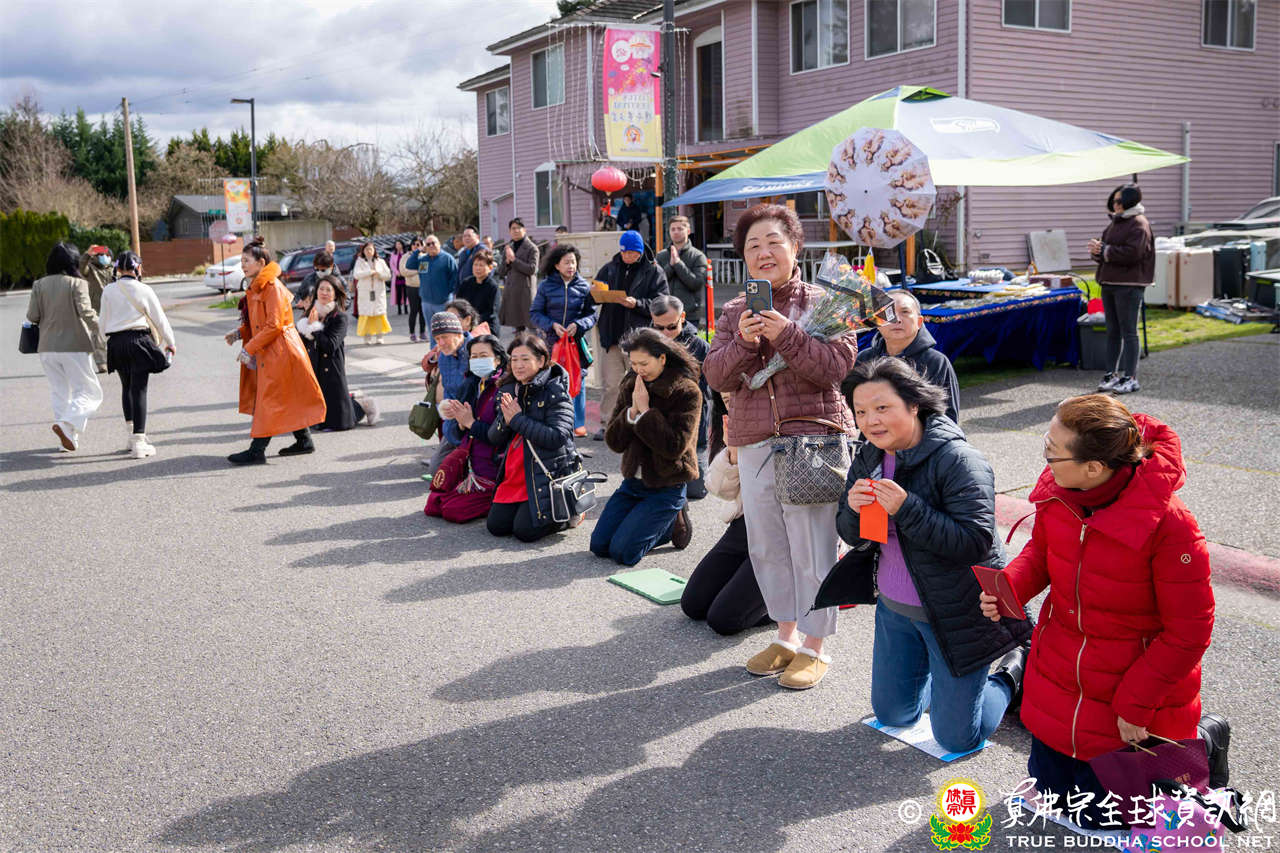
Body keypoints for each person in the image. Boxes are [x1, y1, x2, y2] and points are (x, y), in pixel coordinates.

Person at [982, 394, 1223, 827]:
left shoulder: (1171, 525)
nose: (1045, 459)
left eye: (1052, 451)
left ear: (1093, 467)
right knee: (1055, 797)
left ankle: (1206, 736)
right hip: (1060, 671)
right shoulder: (1061, 493)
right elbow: (1042, 551)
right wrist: (1010, 588)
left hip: (1129, 691)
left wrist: (1136, 704)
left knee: (1105, 817)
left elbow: (1190, 631)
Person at [827, 357, 1031, 749]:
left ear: (914, 404)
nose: (871, 421)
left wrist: (908, 509)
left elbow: (974, 541)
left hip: (955, 611)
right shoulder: (869, 455)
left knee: (957, 739)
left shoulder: (959, 459)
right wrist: (851, 509)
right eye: (861, 412)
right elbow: (851, 535)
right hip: (895, 608)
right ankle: (945, 686)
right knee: (894, 715)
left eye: (882, 407)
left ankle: (1009, 674)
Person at [703, 203, 856, 690]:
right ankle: (786, 636)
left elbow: (835, 368)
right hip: (754, 441)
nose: (763, 252)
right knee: (768, 546)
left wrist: (785, 333)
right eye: (753, 245)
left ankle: (815, 646)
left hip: (810, 439)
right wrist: (744, 343)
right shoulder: (734, 311)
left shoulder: (826, 300)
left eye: (774, 242)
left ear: (795, 248)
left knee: (812, 547)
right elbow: (715, 376)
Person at [591, 328, 701, 565]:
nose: (638, 369)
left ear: (662, 358)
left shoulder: (686, 391)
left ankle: (673, 518)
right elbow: (614, 442)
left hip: (667, 483)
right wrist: (632, 413)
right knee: (599, 546)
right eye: (633, 363)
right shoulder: (631, 383)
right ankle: (658, 522)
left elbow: (674, 447)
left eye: (644, 363)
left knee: (624, 553)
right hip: (634, 483)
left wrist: (646, 412)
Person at [224, 237, 326, 465]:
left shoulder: (271, 287)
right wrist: (240, 333)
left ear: (261, 263)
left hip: (281, 350)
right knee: (285, 395)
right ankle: (304, 440)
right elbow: (259, 323)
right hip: (275, 349)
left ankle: (257, 450)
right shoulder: (259, 286)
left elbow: (274, 325)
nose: (243, 265)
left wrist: (249, 347)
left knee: (268, 399)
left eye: (246, 260)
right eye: (242, 260)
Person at [681, 411, 770, 635]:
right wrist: (733, 453)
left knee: (723, 619)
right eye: (727, 400)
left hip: (782, 536)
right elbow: (718, 489)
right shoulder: (741, 419)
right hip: (743, 526)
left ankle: (795, 600)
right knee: (693, 604)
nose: (733, 405)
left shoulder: (786, 415)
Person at [486, 333, 578, 542]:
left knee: (525, 532)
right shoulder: (510, 389)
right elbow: (494, 438)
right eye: (514, 359)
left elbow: (557, 437)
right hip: (516, 471)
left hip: (546, 472)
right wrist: (505, 420)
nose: (518, 365)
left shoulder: (555, 390)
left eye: (525, 359)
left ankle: (571, 513)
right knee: (496, 527)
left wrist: (517, 419)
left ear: (541, 360)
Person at [25, 242, 104, 452]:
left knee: (59, 392)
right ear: (73, 261)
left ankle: (67, 439)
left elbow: (32, 316)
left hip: (46, 347)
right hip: (74, 346)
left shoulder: (39, 284)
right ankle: (66, 425)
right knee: (90, 392)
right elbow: (87, 314)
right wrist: (106, 330)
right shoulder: (77, 283)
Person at [592, 229, 668, 440]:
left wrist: (637, 304)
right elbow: (594, 295)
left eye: (633, 253)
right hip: (612, 337)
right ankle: (608, 424)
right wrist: (596, 292)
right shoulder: (609, 268)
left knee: (642, 383)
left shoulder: (654, 271)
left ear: (641, 252)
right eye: (625, 252)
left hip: (639, 340)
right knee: (611, 385)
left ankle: (643, 424)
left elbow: (662, 303)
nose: (628, 256)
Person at [99, 250, 177, 458]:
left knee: (126, 387)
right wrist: (171, 343)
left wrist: (107, 343)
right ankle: (140, 443)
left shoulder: (108, 290)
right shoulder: (144, 289)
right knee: (139, 389)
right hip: (138, 341)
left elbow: (102, 321)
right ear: (138, 268)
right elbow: (159, 319)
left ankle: (131, 437)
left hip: (116, 342)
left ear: (117, 269)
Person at [426, 334, 509, 523]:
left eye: (483, 356)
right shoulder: (472, 383)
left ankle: (497, 498)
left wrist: (470, 423)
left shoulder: (504, 388)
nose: (478, 361)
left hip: (492, 463)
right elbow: (458, 433)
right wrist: (460, 423)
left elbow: (498, 436)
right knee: (433, 503)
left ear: (497, 359)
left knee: (453, 510)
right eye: (474, 356)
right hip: (469, 459)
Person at [852, 289, 960, 423]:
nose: (897, 319)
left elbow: (948, 418)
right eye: (889, 313)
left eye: (905, 312)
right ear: (877, 322)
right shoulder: (864, 359)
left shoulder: (935, 362)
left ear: (919, 322)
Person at [1089, 184, 1154, 395]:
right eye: (1114, 201)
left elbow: (1133, 253)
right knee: (1113, 331)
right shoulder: (1115, 223)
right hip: (1109, 283)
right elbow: (1106, 251)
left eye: (1119, 201)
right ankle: (1111, 374)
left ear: (1129, 201)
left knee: (1129, 332)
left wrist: (1105, 250)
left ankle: (1130, 377)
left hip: (1129, 285)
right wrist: (1097, 251)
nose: (1115, 205)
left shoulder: (1139, 224)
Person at [296, 275, 379, 431]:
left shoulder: (339, 317)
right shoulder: (311, 313)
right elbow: (301, 343)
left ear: (335, 294)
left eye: (328, 290)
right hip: (314, 367)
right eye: (321, 289)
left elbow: (330, 345)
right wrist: (305, 326)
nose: (324, 293)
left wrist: (314, 327)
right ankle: (353, 400)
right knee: (316, 421)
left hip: (332, 369)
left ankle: (362, 404)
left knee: (341, 422)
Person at [531, 243, 598, 437]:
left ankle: (578, 424)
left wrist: (579, 324)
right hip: (551, 342)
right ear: (556, 265)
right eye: (567, 262)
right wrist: (551, 325)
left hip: (576, 343)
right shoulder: (545, 286)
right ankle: (554, 421)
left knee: (578, 379)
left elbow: (592, 315)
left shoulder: (584, 287)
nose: (571, 266)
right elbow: (535, 313)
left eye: (574, 262)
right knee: (551, 380)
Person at [650, 294, 710, 499]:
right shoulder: (647, 343)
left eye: (671, 327)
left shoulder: (698, 346)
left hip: (691, 426)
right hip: (659, 424)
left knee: (695, 491)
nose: (665, 333)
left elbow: (711, 387)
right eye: (659, 327)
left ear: (682, 317)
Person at [420, 311, 472, 475]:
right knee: (437, 470)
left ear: (458, 333)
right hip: (454, 421)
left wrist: (466, 419)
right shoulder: (443, 357)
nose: (441, 343)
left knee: (464, 471)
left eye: (445, 337)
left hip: (475, 421)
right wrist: (446, 408)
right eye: (437, 339)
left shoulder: (476, 351)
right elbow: (448, 391)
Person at [654, 215, 709, 328]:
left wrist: (678, 264)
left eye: (680, 229)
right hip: (664, 312)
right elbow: (656, 282)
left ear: (688, 231)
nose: (676, 232)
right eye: (673, 229)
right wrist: (670, 266)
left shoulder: (698, 256)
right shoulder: (661, 256)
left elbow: (696, 284)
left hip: (689, 314)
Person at [406, 235, 457, 347]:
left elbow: (455, 278)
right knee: (432, 330)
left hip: (443, 302)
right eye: (428, 244)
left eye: (433, 243)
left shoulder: (447, 258)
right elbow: (409, 265)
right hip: (426, 302)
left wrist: (447, 293)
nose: (431, 246)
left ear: (439, 244)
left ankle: (446, 352)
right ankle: (433, 352)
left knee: (445, 330)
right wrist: (418, 250)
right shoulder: (423, 260)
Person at [497, 218, 540, 334]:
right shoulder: (509, 247)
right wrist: (507, 262)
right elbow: (501, 272)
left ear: (524, 230)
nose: (516, 231)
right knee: (517, 329)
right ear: (509, 231)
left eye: (518, 228)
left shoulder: (532, 248)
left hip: (526, 292)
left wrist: (514, 260)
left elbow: (532, 269)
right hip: (512, 292)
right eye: (513, 228)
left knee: (532, 327)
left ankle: (536, 345)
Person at [79, 244, 114, 372]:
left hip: (113, 306)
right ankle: (102, 363)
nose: (104, 257)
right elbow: (81, 268)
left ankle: (115, 360)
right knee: (98, 335)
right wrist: (87, 254)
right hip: (97, 307)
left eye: (106, 255)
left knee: (115, 335)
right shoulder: (90, 269)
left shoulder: (114, 269)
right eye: (101, 255)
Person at [352, 241, 392, 345]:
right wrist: (369, 272)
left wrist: (379, 274)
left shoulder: (380, 261)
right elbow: (356, 275)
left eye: (370, 249)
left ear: (374, 250)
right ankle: (367, 337)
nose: (369, 251)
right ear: (363, 251)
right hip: (365, 293)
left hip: (378, 292)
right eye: (366, 249)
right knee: (366, 315)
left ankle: (380, 336)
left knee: (379, 314)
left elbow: (388, 275)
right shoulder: (359, 262)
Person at [455, 248, 500, 333]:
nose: (477, 268)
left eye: (481, 265)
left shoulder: (492, 286)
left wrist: (472, 321)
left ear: (490, 268)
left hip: (486, 327)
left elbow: (492, 312)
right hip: (467, 325)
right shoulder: (466, 283)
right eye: (475, 265)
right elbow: (458, 304)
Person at [399, 237, 425, 341]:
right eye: (414, 244)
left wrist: (418, 271)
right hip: (411, 287)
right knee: (414, 310)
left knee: (423, 311)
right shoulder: (406, 256)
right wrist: (417, 271)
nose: (415, 246)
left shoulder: (424, 256)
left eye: (418, 244)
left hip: (423, 286)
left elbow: (425, 270)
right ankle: (412, 333)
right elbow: (403, 271)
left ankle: (422, 332)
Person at [388, 239, 408, 315]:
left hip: (405, 276)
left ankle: (406, 308)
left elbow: (408, 263)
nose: (398, 246)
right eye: (396, 244)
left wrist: (404, 272)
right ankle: (399, 309)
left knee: (406, 293)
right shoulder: (393, 254)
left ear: (402, 245)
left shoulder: (406, 254)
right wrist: (397, 272)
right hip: (397, 277)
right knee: (398, 293)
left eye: (399, 244)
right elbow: (391, 265)